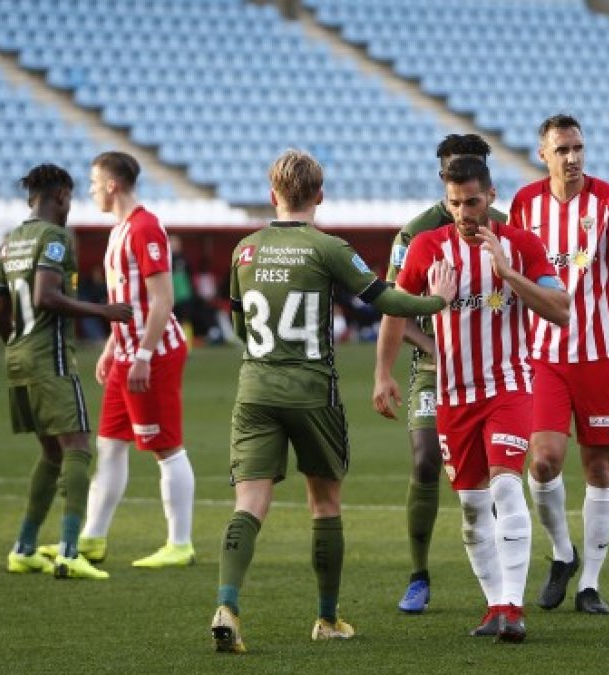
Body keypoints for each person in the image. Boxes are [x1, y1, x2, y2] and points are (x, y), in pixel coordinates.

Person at [210, 149, 458, 653]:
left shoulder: (245, 250)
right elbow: (385, 300)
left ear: (271, 194)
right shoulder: (329, 248)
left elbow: (239, 325)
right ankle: (325, 618)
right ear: (319, 195)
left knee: (250, 503)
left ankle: (227, 604)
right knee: (324, 503)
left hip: (255, 388)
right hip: (311, 392)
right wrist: (438, 301)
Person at [386, 156, 568, 642]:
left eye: (471, 201)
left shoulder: (522, 244)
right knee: (471, 507)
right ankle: (494, 607)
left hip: (508, 387)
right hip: (452, 396)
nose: (464, 212)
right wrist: (384, 373)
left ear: (490, 197)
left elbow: (562, 311)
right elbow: (393, 311)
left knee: (507, 487)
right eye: (454, 203)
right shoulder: (426, 247)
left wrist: (508, 274)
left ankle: (514, 606)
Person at [507, 114, 609, 614]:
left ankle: (589, 583)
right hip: (543, 355)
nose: (573, 157)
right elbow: (514, 276)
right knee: (543, 459)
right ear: (543, 155)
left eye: (578, 148)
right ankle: (562, 552)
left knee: (600, 466)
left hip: (600, 353)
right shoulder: (524, 205)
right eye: (562, 149)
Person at [372, 134, 508, 614]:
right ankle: (419, 575)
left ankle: (503, 585)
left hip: (499, 372)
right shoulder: (416, 235)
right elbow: (396, 308)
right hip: (435, 370)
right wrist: (434, 347)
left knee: (501, 473)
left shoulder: (509, 229)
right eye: (453, 169)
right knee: (426, 459)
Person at [41, 152, 196, 569]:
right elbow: (125, 301)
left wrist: (143, 353)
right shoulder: (119, 231)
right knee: (110, 446)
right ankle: (92, 538)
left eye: (94, 182)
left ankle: (180, 543)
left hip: (154, 354)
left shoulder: (145, 228)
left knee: (166, 447)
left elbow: (163, 299)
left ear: (112, 184)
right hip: (127, 353)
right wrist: (114, 346)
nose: (90, 190)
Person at [0, 164, 133, 580]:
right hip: (49, 357)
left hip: (18, 358)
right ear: (60, 197)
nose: (71, 206)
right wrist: (103, 311)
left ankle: (23, 547)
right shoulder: (54, 238)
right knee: (77, 447)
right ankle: (70, 552)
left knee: (52, 452)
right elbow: (46, 295)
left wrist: (19, 346)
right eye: (70, 199)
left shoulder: (11, 242)